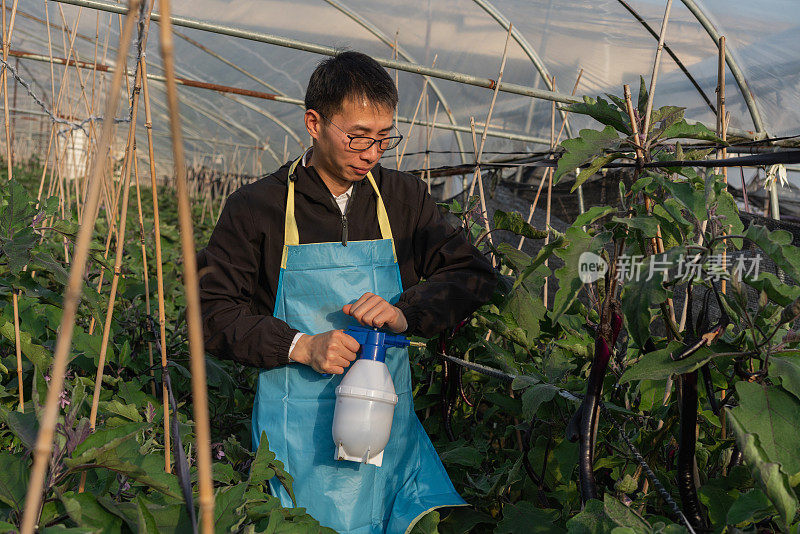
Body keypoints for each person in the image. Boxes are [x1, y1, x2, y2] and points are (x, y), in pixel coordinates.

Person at [198, 50, 496, 534]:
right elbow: (210, 313)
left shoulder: (403, 199)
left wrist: (406, 314)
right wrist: (301, 345)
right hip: (295, 432)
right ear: (314, 123)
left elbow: (473, 275)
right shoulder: (259, 207)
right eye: (357, 136)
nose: (371, 153)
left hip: (385, 425)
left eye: (384, 138)